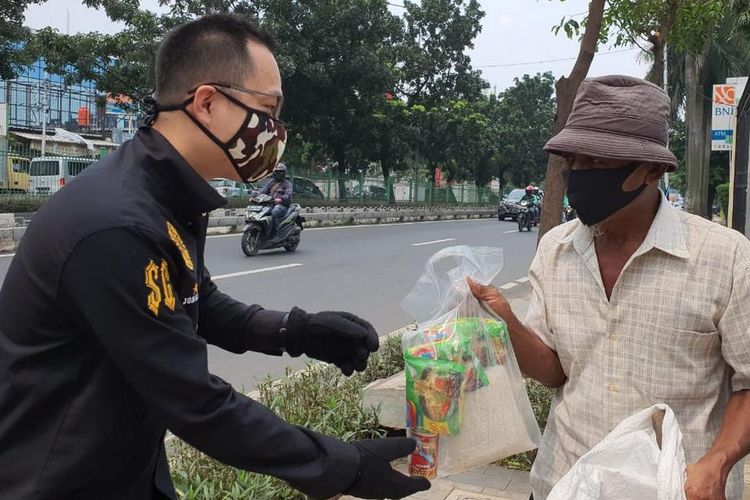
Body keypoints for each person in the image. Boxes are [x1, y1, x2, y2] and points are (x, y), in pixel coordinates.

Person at [0, 15, 430, 500]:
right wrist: (340, 466)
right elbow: (194, 401)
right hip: (56, 481)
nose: (275, 130)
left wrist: (294, 330)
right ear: (206, 102)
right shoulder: (117, 224)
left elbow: (194, 300)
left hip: (124, 468)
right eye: (267, 109)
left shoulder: (164, 195)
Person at [469, 75, 750, 500]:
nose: (579, 176)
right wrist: (505, 321)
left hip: (671, 488)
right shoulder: (555, 250)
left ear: (652, 169)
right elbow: (554, 371)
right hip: (562, 482)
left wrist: (717, 463)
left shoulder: (725, 258)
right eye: (573, 161)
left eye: (598, 162)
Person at [261, 162, 293, 237]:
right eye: (276, 172)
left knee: (273, 213)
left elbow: (288, 193)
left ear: (284, 173)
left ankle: (275, 233)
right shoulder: (271, 183)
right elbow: (263, 191)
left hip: (282, 205)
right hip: (270, 204)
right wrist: (256, 195)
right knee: (262, 212)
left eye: (280, 172)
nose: (277, 174)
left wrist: (281, 199)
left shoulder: (287, 184)